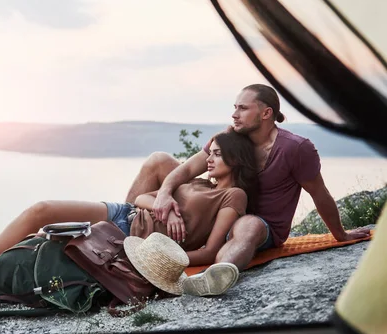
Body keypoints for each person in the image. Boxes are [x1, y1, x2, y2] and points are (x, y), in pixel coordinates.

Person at [0, 130, 258, 311]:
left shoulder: (232, 196)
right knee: (42, 210)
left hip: (131, 245)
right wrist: (164, 201)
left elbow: (212, 250)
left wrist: (159, 257)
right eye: (208, 153)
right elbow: (138, 199)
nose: (208, 159)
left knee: (41, 242)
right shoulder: (193, 181)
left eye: (217, 154)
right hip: (125, 216)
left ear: (236, 158)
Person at [125, 84, 372, 297]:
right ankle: (125, 231)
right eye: (235, 107)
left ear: (266, 113)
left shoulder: (296, 149)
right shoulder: (231, 136)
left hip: (258, 224)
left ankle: (213, 277)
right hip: (219, 210)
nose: (234, 114)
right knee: (158, 161)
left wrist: (340, 235)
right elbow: (188, 168)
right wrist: (166, 193)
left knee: (249, 225)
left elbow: (319, 193)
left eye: (242, 108)